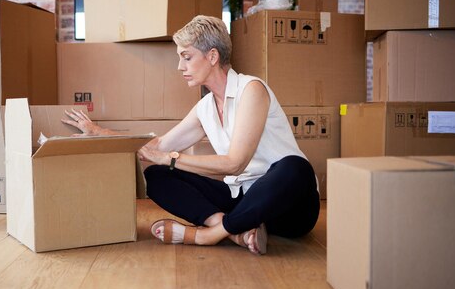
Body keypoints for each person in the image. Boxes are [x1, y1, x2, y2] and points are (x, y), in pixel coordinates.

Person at [63, 15, 319, 255]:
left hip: (287, 207)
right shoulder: (205, 108)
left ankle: (206, 236)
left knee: (296, 168)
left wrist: (171, 158)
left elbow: (235, 163)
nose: (179, 66)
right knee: (156, 174)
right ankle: (233, 232)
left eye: (186, 57)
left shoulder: (251, 90)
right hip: (242, 199)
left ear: (212, 56)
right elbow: (158, 146)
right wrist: (99, 132)